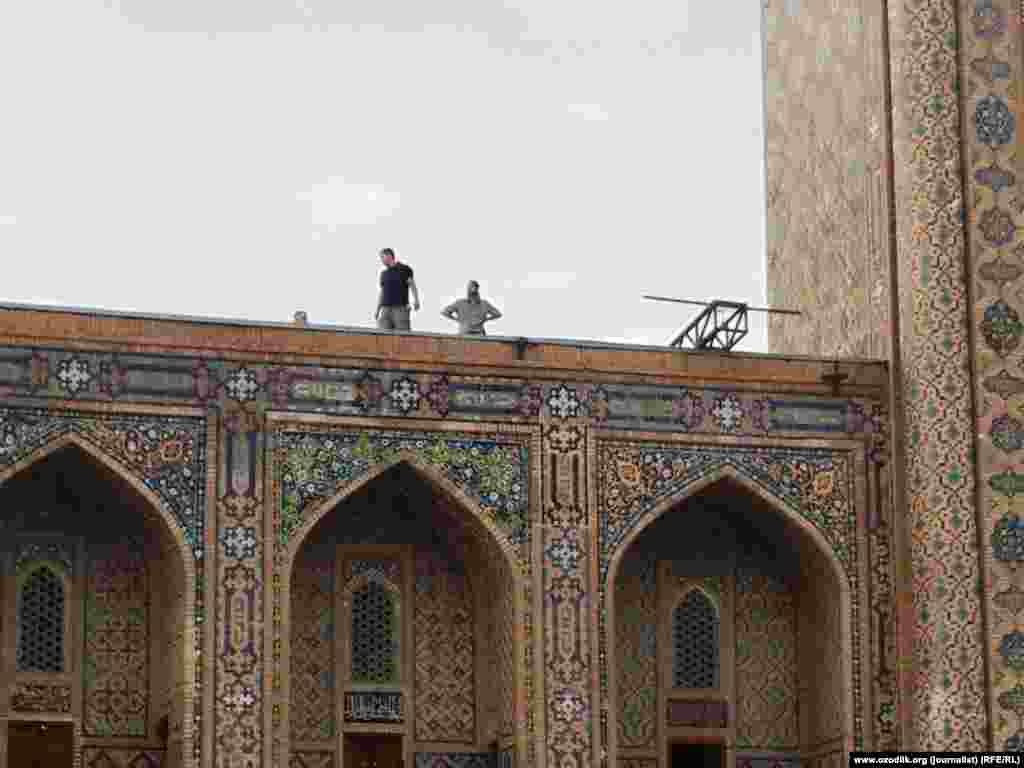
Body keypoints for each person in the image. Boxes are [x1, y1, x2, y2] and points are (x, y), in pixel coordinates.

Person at [375, 248, 420, 331]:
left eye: (382, 257)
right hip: (385, 310)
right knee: (382, 334)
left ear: (389, 256)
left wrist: (416, 300)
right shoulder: (384, 274)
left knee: (402, 335)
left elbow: (412, 285)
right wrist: (377, 310)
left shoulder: (404, 269)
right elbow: (382, 292)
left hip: (400, 309)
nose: (381, 260)